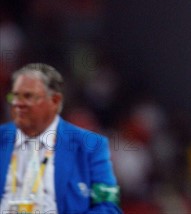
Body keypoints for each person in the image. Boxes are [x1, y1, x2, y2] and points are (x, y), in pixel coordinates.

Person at [0, 63, 121, 213]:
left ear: (55, 101)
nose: (19, 104)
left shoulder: (92, 146)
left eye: (29, 97)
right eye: (15, 96)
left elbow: (109, 208)